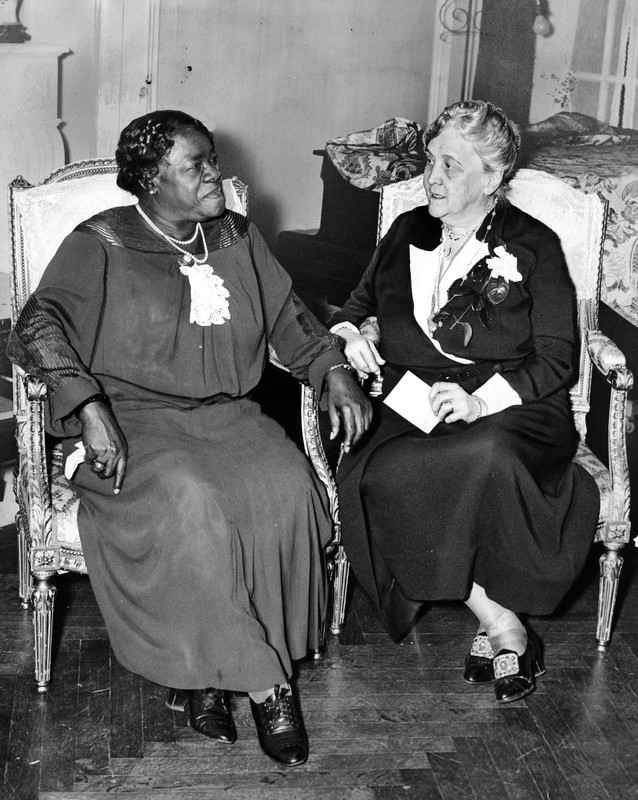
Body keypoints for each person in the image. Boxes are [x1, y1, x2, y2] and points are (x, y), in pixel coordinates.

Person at [7, 109, 371, 765]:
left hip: (228, 419)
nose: (216, 174)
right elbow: (36, 327)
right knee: (193, 504)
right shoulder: (100, 243)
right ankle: (267, 687)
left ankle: (208, 675)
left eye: (212, 159)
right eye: (196, 163)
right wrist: (87, 406)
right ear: (149, 179)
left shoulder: (235, 235)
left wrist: (334, 370)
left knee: (287, 492)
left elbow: (291, 320)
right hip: (132, 425)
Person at [328, 100, 599, 704]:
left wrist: (481, 402)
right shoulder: (406, 230)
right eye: (430, 161)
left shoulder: (533, 246)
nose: (431, 179)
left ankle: (500, 624)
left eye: (451, 166)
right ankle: (501, 622)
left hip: (515, 405)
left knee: (485, 452)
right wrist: (357, 334)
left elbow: (557, 360)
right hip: (409, 400)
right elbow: (352, 307)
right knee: (380, 470)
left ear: (493, 178)